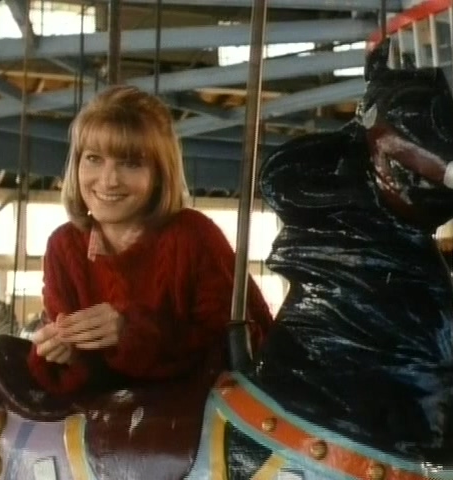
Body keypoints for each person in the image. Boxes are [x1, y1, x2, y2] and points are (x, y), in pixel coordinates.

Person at [28, 85, 274, 395]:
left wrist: (131, 332)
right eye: (93, 159)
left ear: (159, 174)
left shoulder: (194, 236)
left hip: (199, 411)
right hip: (106, 414)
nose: (108, 180)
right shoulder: (63, 246)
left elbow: (238, 351)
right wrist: (60, 353)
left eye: (131, 163)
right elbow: (81, 376)